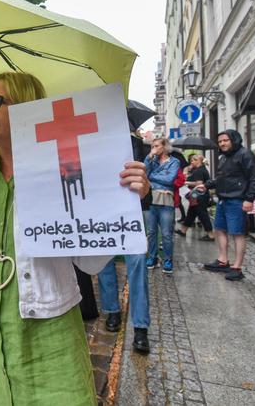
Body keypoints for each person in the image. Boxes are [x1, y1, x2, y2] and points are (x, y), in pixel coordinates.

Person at [0, 72, 150, 405]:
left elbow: (90, 263)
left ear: (27, 108)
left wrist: (124, 205)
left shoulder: (63, 169)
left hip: (46, 322)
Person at [97, 131, 153, 353]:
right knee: (103, 264)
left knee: (138, 266)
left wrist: (144, 188)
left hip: (130, 213)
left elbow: (145, 187)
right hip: (101, 213)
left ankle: (140, 327)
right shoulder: (93, 142)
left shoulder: (137, 144)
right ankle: (112, 311)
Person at [196, 130, 255, 281]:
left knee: (237, 234)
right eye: (220, 141)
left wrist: (250, 199)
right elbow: (221, 178)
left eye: (225, 140)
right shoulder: (224, 158)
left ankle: (237, 268)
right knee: (220, 230)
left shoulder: (245, 155)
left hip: (237, 200)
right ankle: (222, 261)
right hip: (223, 199)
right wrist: (206, 185)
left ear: (234, 140)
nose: (222, 143)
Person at [143, 138, 180, 274]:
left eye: (157, 146)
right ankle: (152, 257)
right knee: (151, 232)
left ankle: (168, 259)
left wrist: (152, 176)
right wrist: (148, 158)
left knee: (166, 233)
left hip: (166, 201)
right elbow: (144, 174)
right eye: (152, 146)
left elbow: (170, 179)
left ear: (165, 147)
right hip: (151, 200)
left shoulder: (174, 162)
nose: (154, 148)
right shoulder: (152, 161)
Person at [176, 155, 214, 241]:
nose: (191, 162)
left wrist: (186, 182)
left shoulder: (199, 171)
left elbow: (198, 183)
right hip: (198, 195)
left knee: (203, 215)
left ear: (199, 161)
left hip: (199, 195)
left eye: (194, 160)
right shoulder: (200, 169)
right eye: (191, 160)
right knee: (191, 213)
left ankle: (211, 235)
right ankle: (183, 231)